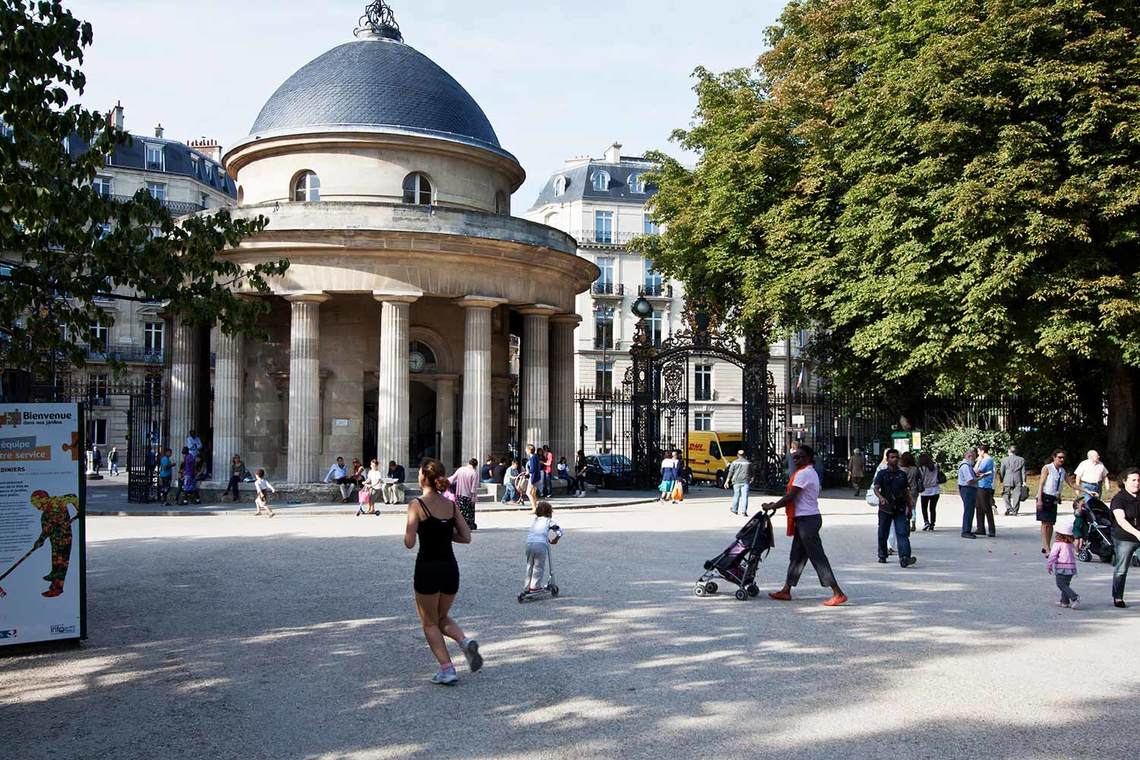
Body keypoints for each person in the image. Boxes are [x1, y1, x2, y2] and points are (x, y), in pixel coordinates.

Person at [403, 458, 481, 686]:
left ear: (423, 477)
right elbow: (466, 537)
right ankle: (464, 641)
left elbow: (409, 542)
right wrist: (446, 534)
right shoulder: (451, 505)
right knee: (441, 617)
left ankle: (447, 669)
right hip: (450, 568)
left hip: (427, 568)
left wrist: (421, 531)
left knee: (429, 622)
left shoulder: (416, 505)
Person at [766, 445, 847, 606]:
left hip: (807, 520)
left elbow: (790, 496)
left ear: (809, 458)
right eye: (795, 457)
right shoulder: (809, 472)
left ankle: (838, 593)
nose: (796, 459)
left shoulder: (804, 474)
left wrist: (772, 506)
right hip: (806, 519)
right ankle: (786, 590)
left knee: (818, 557)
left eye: (800, 457)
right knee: (796, 556)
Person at [874, 449, 916, 567]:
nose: (895, 459)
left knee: (902, 533)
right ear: (887, 459)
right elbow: (876, 488)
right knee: (883, 533)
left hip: (900, 508)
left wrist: (910, 507)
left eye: (897, 457)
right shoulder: (882, 474)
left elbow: (906, 492)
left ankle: (905, 557)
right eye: (892, 457)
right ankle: (882, 555)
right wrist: (881, 497)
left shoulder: (902, 475)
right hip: (885, 508)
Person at [1110, 467, 1140, 608]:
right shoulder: (1118, 499)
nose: (1137, 483)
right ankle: (1118, 597)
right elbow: (1121, 520)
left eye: (1138, 480)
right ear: (1124, 481)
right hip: (1124, 537)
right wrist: (1137, 533)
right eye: (1133, 480)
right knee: (1121, 569)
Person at [1036, 450, 1071, 554]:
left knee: (1051, 523)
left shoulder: (1062, 471)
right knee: (1045, 523)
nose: (1062, 459)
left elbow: (1071, 484)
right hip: (1045, 496)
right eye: (1059, 457)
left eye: (1063, 457)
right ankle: (1047, 548)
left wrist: (1086, 491)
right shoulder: (1047, 468)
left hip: (1054, 498)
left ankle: (1047, 545)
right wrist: (1039, 500)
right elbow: (1041, 484)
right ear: (1054, 457)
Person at [525, 501, 563, 592]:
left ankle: (527, 586)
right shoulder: (549, 521)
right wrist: (555, 539)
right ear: (549, 513)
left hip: (529, 544)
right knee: (538, 566)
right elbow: (559, 532)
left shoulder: (535, 520)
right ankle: (535, 587)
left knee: (530, 566)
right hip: (540, 545)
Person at [1047, 514, 1080, 609]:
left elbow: (1053, 555)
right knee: (1066, 584)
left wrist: (1049, 565)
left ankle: (1075, 597)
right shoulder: (1070, 544)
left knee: (1060, 584)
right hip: (1071, 568)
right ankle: (1064, 602)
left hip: (1062, 568)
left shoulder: (1058, 544)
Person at [449, 458, 480, 530]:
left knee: (461, 511)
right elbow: (473, 488)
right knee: (469, 511)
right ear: (476, 465)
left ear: (468, 463)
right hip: (468, 495)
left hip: (459, 494)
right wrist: (474, 497)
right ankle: (469, 525)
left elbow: (452, 478)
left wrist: (444, 482)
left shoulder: (461, 469)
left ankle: (459, 525)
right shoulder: (474, 473)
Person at [974, 443, 996, 537]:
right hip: (980, 485)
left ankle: (991, 529)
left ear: (982, 451)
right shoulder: (986, 460)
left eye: (978, 451)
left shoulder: (987, 460)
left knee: (986, 507)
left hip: (985, 486)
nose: (978, 453)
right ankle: (980, 528)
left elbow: (976, 471)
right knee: (978, 507)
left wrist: (979, 461)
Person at [916, 451, 940, 531]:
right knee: (933, 508)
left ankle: (926, 522)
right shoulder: (935, 466)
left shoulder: (920, 468)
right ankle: (932, 524)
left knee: (924, 508)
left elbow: (918, 479)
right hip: (935, 489)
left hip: (925, 490)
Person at [958, 448, 979, 539]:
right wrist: (981, 478)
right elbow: (969, 480)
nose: (975, 459)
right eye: (974, 457)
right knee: (969, 510)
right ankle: (966, 531)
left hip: (968, 489)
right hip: (968, 489)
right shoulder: (965, 466)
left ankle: (967, 530)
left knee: (970, 510)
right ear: (969, 456)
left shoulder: (967, 465)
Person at [1000, 445, 1027, 515]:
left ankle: (1009, 509)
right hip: (1018, 479)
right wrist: (1024, 481)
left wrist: (1002, 479)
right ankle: (1015, 510)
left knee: (1006, 494)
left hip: (1007, 479)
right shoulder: (1021, 459)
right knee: (1017, 495)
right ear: (1016, 451)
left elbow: (1002, 471)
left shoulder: (1004, 459)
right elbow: (1023, 472)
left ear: (1009, 450)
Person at [725, 449, 751, 516]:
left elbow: (730, 472)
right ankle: (744, 512)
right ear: (744, 455)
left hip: (736, 481)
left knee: (736, 495)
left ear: (737, 455)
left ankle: (734, 510)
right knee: (745, 496)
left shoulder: (734, 463)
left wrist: (727, 481)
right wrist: (751, 478)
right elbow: (751, 472)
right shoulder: (748, 463)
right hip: (745, 481)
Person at [900, 451, 921, 533]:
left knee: (904, 507)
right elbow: (919, 478)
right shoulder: (915, 469)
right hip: (913, 490)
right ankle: (913, 523)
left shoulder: (901, 469)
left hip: (903, 490)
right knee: (913, 507)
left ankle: (906, 522)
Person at [525, 444, 541, 511]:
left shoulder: (532, 458)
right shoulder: (536, 457)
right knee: (533, 493)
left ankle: (534, 508)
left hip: (533, 477)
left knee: (528, 493)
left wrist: (528, 472)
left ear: (529, 450)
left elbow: (533, 469)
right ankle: (536, 507)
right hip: (537, 477)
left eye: (526, 449)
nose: (526, 450)